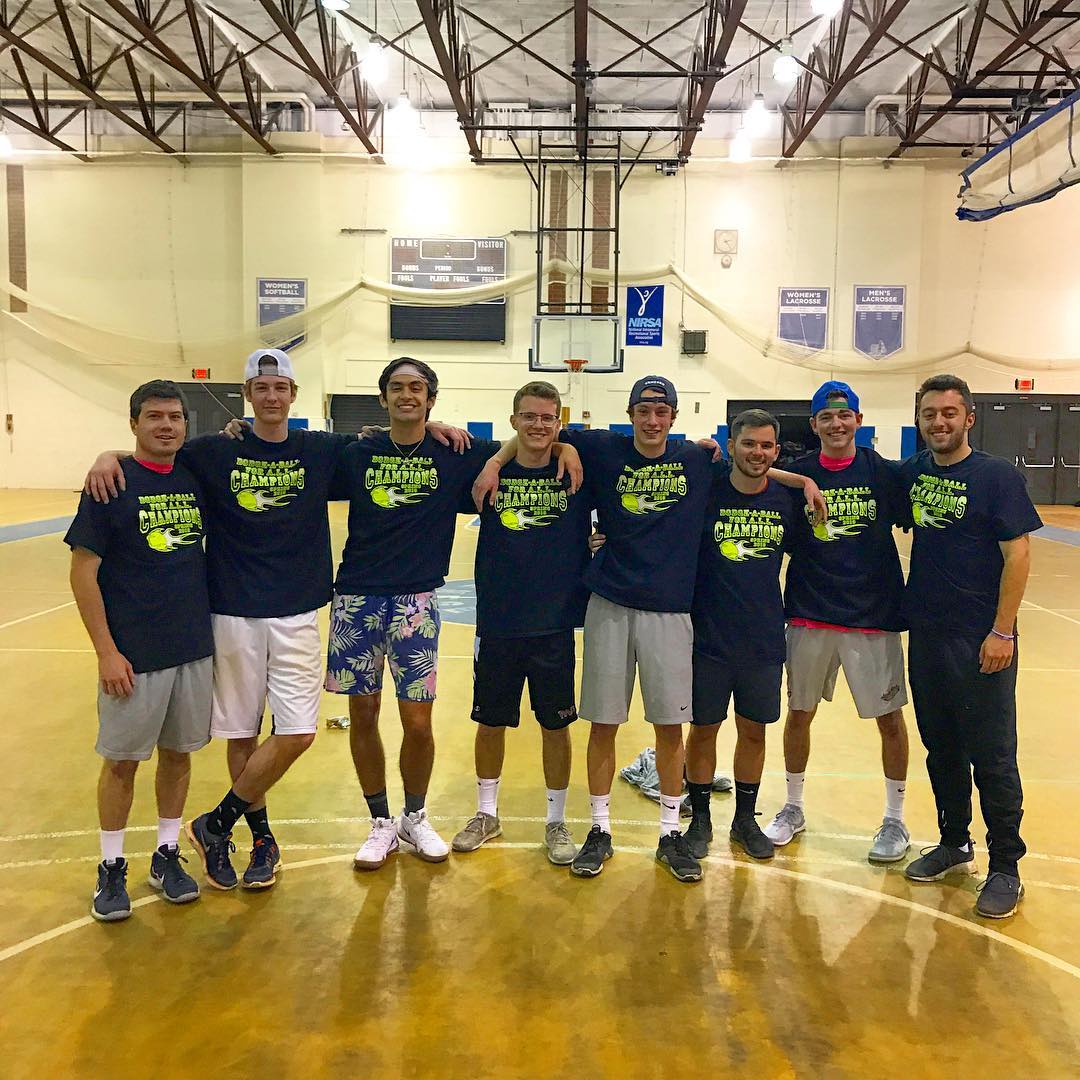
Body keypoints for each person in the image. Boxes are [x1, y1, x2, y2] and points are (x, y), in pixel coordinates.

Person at [86, 349, 470, 892]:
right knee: (242, 733)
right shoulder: (216, 451)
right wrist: (108, 456)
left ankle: (216, 823)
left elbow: (399, 438)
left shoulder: (323, 449)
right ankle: (260, 838)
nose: (271, 396)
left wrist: (433, 425)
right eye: (261, 387)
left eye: (280, 387)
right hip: (233, 612)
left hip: (300, 611)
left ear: (293, 395)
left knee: (297, 732)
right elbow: (157, 452)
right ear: (247, 394)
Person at [475, 377, 824, 883]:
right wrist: (495, 461)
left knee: (669, 728)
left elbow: (755, 466)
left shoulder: (696, 460)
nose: (653, 420)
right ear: (631, 414)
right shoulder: (603, 449)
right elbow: (544, 434)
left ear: (674, 417)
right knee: (604, 724)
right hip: (610, 606)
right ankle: (600, 830)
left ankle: (669, 834)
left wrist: (802, 481)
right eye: (644, 410)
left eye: (662, 412)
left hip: (671, 613)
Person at [329, 358, 581, 870]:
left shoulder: (456, 453)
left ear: (431, 399)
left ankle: (415, 816)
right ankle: (381, 822)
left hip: (418, 601)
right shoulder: (355, 452)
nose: (407, 395)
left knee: (418, 722)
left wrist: (548, 450)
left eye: (417, 388)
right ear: (382, 397)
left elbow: (526, 443)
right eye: (397, 387)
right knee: (364, 714)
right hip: (357, 598)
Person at [67, 381, 212, 921]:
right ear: (134, 424)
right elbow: (83, 573)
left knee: (178, 756)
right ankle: (110, 866)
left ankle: (166, 854)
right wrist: (106, 652)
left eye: (175, 417)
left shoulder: (194, 476)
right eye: (154, 416)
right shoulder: (110, 484)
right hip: (133, 653)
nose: (166, 426)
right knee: (123, 762)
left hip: (192, 648)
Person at [902, 374, 1041, 919]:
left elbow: (1018, 554)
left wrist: (1002, 630)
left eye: (949, 413)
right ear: (919, 420)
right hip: (928, 637)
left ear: (969, 418)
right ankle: (954, 843)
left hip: (983, 641)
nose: (939, 422)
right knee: (942, 748)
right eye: (929, 414)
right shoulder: (915, 472)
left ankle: (1006, 866)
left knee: (993, 755)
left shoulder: (995, 476)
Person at [762, 381, 912, 864]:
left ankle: (895, 818)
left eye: (845, 415)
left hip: (873, 615)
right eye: (826, 417)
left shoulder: (883, 473)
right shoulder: (800, 473)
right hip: (811, 613)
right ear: (814, 425)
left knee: (890, 719)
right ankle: (793, 806)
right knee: (799, 712)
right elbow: (749, 468)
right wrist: (799, 482)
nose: (836, 424)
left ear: (859, 421)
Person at [451, 381, 590, 865]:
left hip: (554, 624)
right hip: (498, 622)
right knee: (490, 722)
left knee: (556, 726)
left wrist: (568, 447)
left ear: (559, 423)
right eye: (529, 416)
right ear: (513, 421)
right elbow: (425, 438)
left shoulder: (575, 469)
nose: (538, 425)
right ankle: (486, 813)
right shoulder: (489, 465)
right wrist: (493, 461)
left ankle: (556, 820)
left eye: (548, 418)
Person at [684, 410, 797, 862]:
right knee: (703, 730)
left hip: (763, 637)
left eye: (767, 445)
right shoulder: (707, 489)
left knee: (754, 731)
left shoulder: (785, 501)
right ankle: (700, 819)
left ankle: (745, 820)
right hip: (708, 637)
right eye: (748, 443)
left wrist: (804, 483)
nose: (757, 452)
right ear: (731, 446)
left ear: (776, 451)